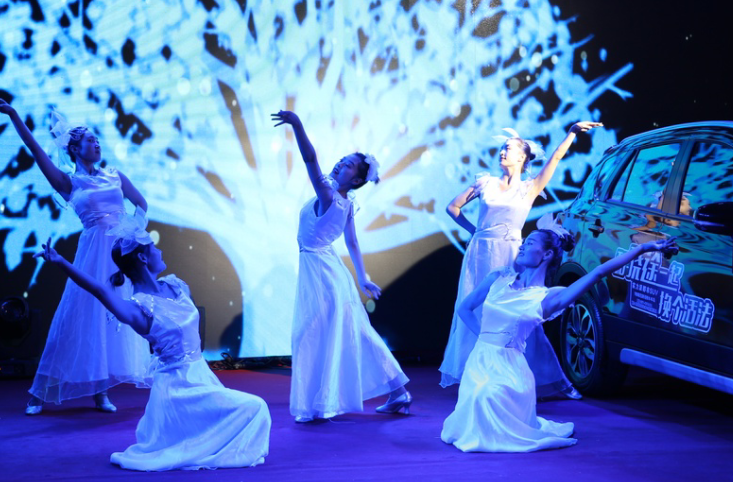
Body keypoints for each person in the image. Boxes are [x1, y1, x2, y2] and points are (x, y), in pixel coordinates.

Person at [34, 218, 271, 471]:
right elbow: (100, 291)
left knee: (249, 413)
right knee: (257, 407)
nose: (160, 250)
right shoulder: (138, 309)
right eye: (154, 248)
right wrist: (61, 262)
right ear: (143, 258)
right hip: (178, 388)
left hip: (202, 376)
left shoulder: (176, 286)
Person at [441, 221, 678, 452]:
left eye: (530, 242)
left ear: (546, 254)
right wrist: (486, 339)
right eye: (524, 241)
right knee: (477, 399)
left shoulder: (549, 298)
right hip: (480, 362)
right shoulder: (498, 278)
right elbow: (464, 309)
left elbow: (598, 272)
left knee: (485, 396)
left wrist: (643, 249)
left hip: (509, 370)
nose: (522, 246)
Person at [0, 95, 150, 414]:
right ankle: (39, 393)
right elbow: (35, 150)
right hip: (93, 255)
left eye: (97, 139)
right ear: (74, 148)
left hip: (120, 254)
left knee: (110, 320)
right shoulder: (69, 182)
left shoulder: (115, 175)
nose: (96, 143)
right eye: (90, 140)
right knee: (77, 319)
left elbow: (141, 204)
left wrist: (132, 234)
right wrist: (14, 115)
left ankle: (100, 391)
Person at [439, 122, 603, 397]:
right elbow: (452, 207)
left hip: (512, 255)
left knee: (520, 314)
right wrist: (476, 231)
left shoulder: (529, 188)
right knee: (477, 308)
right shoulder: (485, 182)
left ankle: (546, 379)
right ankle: (482, 375)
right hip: (480, 253)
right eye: (502, 148)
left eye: (509, 148)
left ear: (523, 158)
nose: (503, 152)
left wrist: (572, 133)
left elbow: (556, 159)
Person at [272, 110, 410, 422]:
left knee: (312, 334)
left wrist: (297, 125)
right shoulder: (344, 203)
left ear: (357, 180)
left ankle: (322, 401)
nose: (339, 164)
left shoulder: (329, 195)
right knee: (353, 332)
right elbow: (353, 243)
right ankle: (398, 391)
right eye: (342, 160)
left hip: (322, 274)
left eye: (347, 165)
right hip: (330, 271)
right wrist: (362, 279)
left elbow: (310, 159)